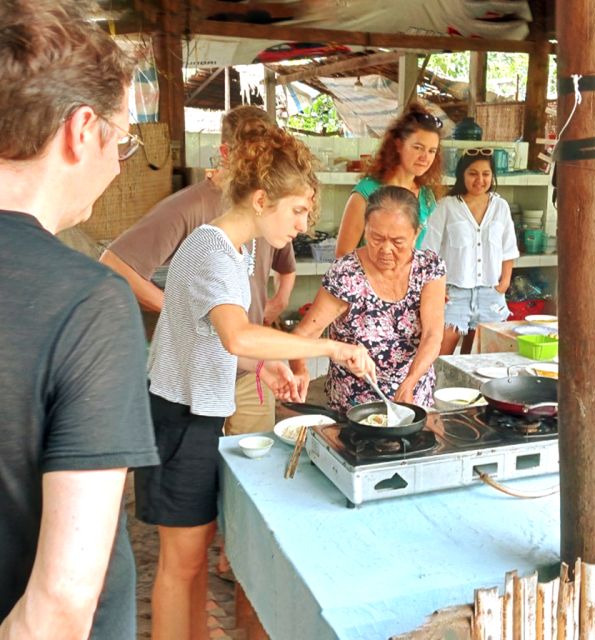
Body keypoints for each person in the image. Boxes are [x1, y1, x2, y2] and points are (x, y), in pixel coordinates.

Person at [136, 119, 375, 640]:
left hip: (199, 413)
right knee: (180, 565)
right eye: (297, 210)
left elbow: (219, 340)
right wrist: (330, 346)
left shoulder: (238, 251)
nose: (302, 224)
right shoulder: (209, 248)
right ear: (263, 199)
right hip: (178, 418)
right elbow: (238, 336)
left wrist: (270, 367)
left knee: (195, 559)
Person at [0, 2, 160, 638]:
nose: (120, 160)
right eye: (122, 138)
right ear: (81, 129)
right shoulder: (85, 302)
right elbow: (60, 605)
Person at [100, 105, 296, 436]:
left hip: (252, 370)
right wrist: (179, 307)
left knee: (249, 474)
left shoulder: (270, 210)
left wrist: (280, 299)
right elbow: (114, 263)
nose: (261, 167)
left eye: (268, 156)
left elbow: (284, 264)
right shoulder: (190, 206)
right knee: (198, 473)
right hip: (196, 375)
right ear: (224, 153)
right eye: (252, 155)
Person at [295, 186, 446, 412]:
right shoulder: (346, 274)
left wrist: (409, 383)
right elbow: (304, 335)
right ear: (365, 230)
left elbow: (433, 335)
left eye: (397, 242)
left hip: (413, 397)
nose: (386, 249)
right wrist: (299, 371)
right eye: (376, 238)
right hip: (354, 406)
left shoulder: (428, 268)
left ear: (416, 234)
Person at [423, 149, 518, 355]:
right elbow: (428, 252)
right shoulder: (446, 206)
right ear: (462, 175)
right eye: (472, 173)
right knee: (441, 357)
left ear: (493, 176)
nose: (480, 180)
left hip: (491, 294)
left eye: (486, 173)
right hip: (454, 294)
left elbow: (508, 248)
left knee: (479, 360)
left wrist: (505, 283)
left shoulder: (500, 206)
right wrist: (437, 289)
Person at [333, 103, 443, 258]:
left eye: (432, 151)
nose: (425, 157)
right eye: (418, 147)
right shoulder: (367, 191)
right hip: (366, 280)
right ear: (398, 145)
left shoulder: (427, 197)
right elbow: (343, 255)